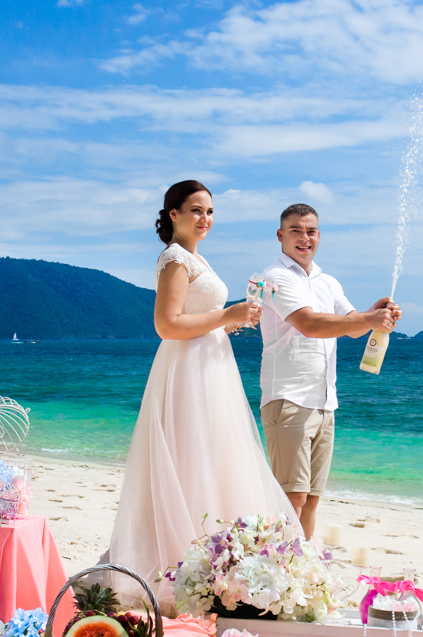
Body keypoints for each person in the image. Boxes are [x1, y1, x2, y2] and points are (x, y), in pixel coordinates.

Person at [106, 180, 300, 598]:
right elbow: (167, 325)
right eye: (196, 210)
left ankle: (214, 563)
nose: (205, 219)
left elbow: (200, 317)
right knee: (192, 455)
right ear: (173, 214)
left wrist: (233, 319)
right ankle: (184, 567)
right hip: (188, 370)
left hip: (212, 365)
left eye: (210, 212)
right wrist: (224, 314)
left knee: (214, 456)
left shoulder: (197, 258)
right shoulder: (175, 258)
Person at [256, 203, 400, 540]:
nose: (304, 238)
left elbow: (351, 327)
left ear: (319, 236)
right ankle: (276, 567)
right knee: (292, 496)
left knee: (311, 500)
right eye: (296, 230)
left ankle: (299, 573)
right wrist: (367, 319)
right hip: (288, 398)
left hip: (325, 402)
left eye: (311, 231)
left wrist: (376, 314)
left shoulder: (328, 282)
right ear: (280, 236)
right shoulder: (273, 277)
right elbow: (308, 323)